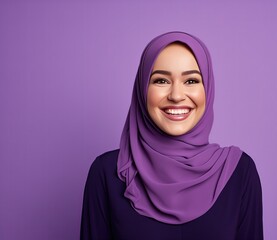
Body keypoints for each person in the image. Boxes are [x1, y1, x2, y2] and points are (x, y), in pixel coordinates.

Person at [81, 32, 263, 240]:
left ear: (208, 89)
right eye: (161, 80)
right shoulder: (107, 173)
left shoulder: (239, 172)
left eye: (191, 80)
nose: (176, 95)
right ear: (142, 89)